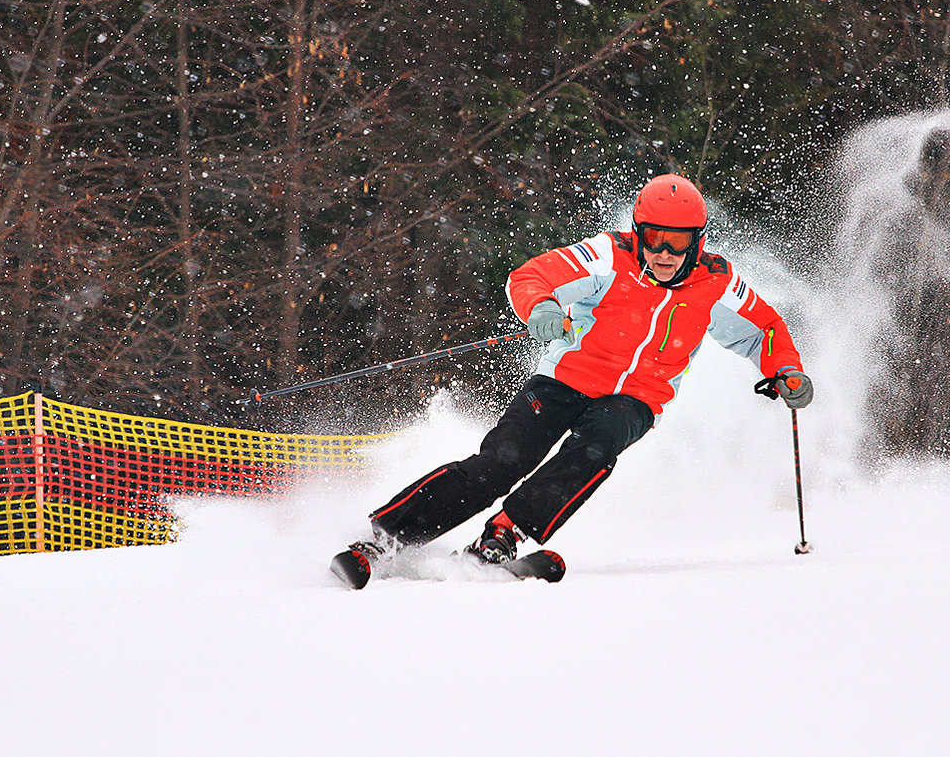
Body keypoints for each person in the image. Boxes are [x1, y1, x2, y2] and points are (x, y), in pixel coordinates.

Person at [332, 174, 812, 586]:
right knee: (502, 461)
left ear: (698, 240)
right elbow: (532, 275)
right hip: (564, 381)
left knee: (595, 450)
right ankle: (386, 539)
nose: (664, 253)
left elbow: (764, 329)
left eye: (679, 242)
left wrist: (785, 370)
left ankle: (505, 533)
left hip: (635, 398)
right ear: (638, 232)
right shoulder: (608, 255)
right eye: (655, 239)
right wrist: (540, 307)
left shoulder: (717, 282)